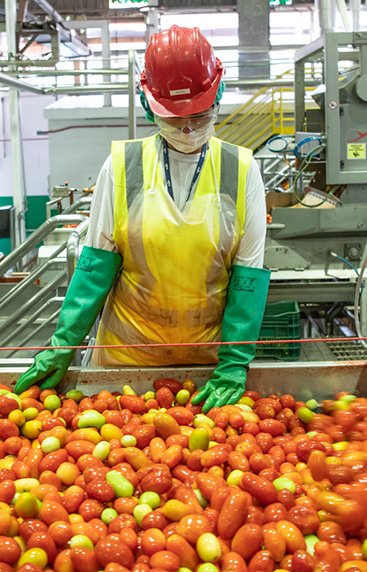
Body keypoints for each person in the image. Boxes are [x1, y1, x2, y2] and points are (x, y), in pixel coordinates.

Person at [15, 26, 270, 412]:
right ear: (148, 104)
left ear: (218, 95)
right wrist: (62, 344)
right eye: (173, 118)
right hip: (124, 364)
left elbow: (248, 278)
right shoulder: (121, 166)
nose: (186, 128)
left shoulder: (241, 169)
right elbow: (94, 268)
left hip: (204, 368)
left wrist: (234, 364)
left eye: (199, 116)